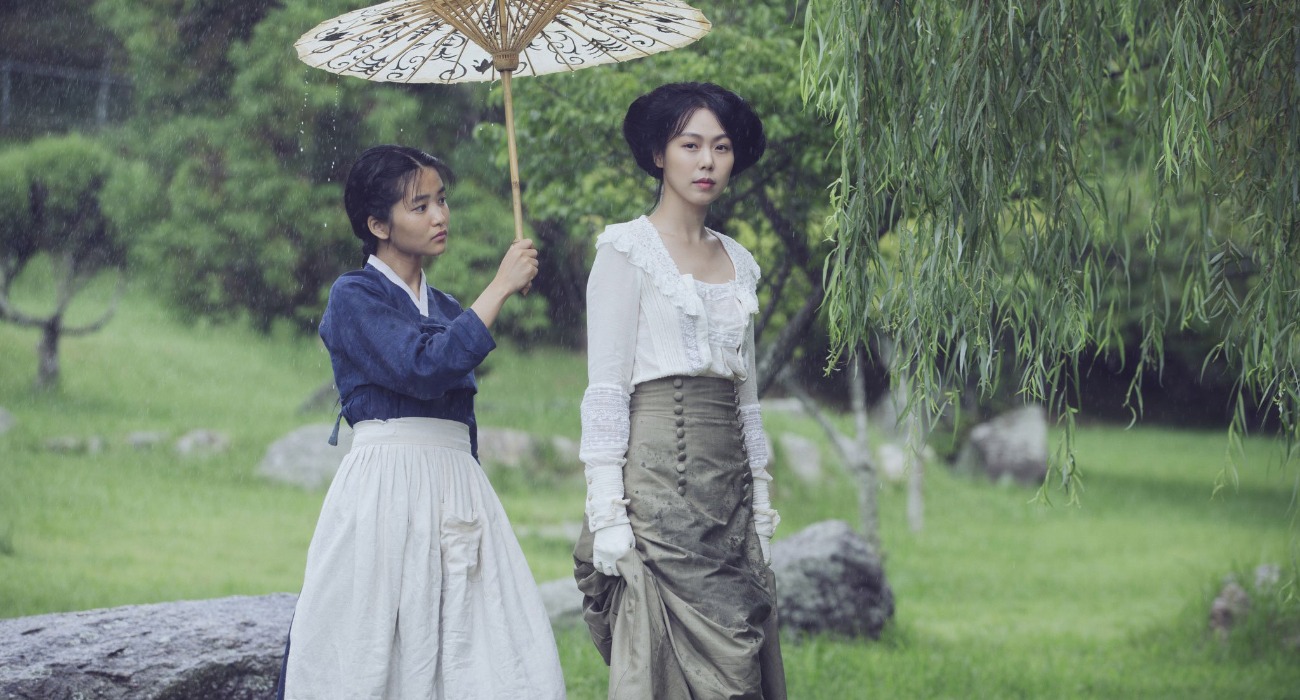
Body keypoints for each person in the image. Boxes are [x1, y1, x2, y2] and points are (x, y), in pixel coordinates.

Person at [278, 145, 566, 700]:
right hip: (386, 487)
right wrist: (500, 287)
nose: (440, 216)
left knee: (480, 648)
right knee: (373, 648)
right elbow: (423, 368)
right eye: (420, 206)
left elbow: (459, 409)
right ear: (377, 224)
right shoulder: (353, 296)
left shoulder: (449, 308)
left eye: (442, 201)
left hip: (456, 487)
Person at [573, 82, 786, 699]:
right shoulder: (626, 251)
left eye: (721, 147)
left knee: (740, 653)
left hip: (727, 494)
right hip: (656, 491)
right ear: (658, 155)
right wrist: (608, 514)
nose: (706, 161)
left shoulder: (740, 262)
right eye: (689, 145)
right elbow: (606, 391)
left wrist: (761, 504)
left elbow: (747, 399)